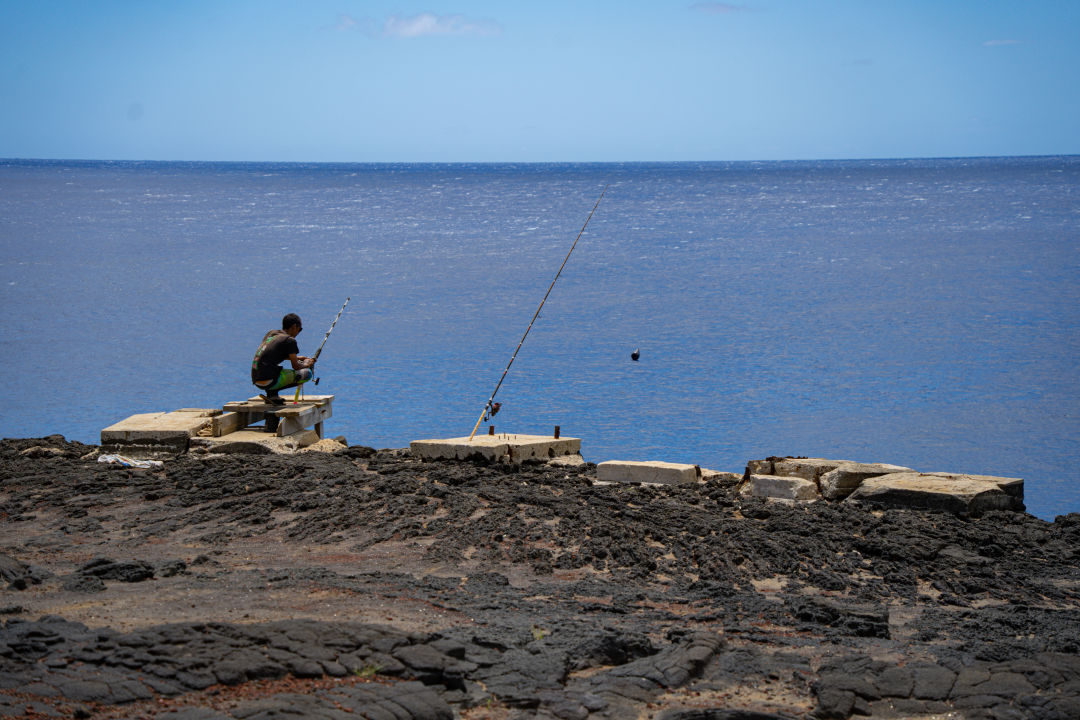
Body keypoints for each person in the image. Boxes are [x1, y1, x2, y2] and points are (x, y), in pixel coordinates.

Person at [251, 313, 315, 405]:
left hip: (257, 379)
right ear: (294, 327)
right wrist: (307, 364)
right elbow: (296, 366)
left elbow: (271, 354)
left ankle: (272, 395)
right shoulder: (290, 340)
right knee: (307, 374)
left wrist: (299, 358)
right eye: (299, 329)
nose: (298, 332)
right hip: (269, 381)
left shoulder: (272, 334)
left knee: (273, 368)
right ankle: (272, 393)